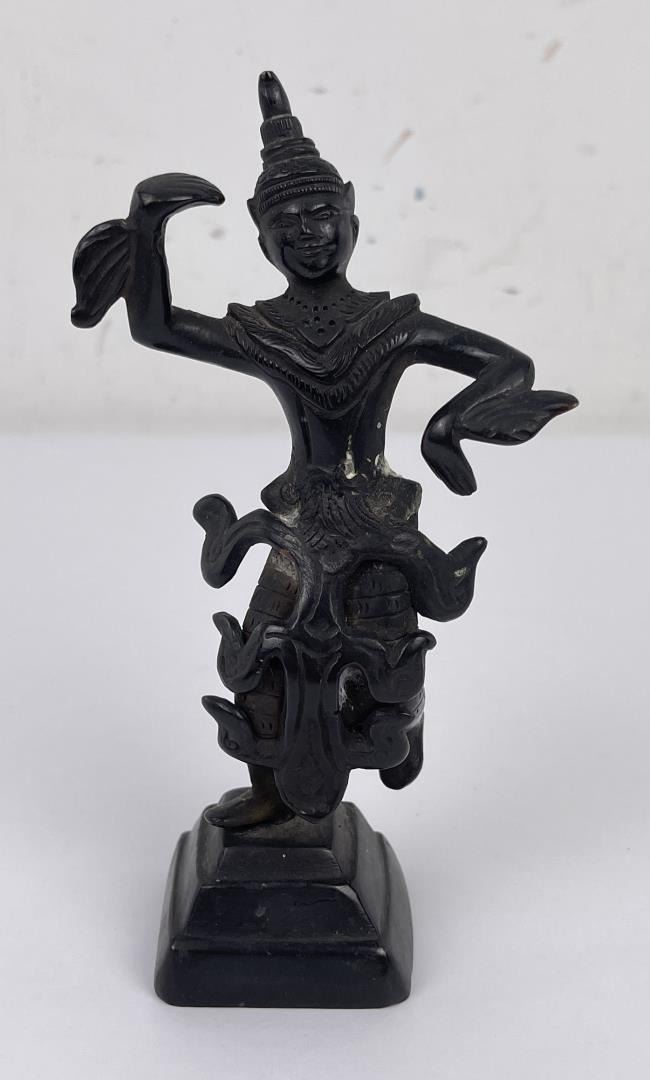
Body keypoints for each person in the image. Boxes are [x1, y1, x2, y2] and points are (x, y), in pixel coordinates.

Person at [72, 72, 577, 827]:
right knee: (262, 659)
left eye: (323, 216)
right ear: (261, 235)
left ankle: (393, 735)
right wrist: (147, 227)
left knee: (387, 666)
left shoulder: (392, 323)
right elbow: (157, 327)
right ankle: (275, 793)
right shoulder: (262, 331)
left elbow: (508, 365)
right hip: (300, 524)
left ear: (351, 214)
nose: (310, 234)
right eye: (290, 223)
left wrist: (446, 428)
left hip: (376, 520)